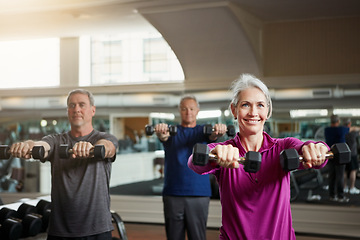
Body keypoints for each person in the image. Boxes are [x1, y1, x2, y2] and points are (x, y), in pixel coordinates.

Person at [188, 74, 329, 240]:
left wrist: (318, 149)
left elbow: (310, 151)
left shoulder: (283, 147)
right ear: (234, 110)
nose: (253, 112)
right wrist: (215, 155)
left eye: (260, 105)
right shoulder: (224, 151)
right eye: (245, 105)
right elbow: (194, 163)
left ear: (268, 111)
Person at [9, 89, 118, 240]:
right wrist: (27, 145)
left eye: (82, 105)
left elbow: (108, 147)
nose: (76, 109)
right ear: (68, 111)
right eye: (72, 105)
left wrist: (92, 148)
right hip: (60, 231)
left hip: (96, 229)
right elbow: (41, 146)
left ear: (92, 110)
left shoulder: (104, 138)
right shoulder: (56, 140)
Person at [153, 95, 227, 240]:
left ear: (197, 110)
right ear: (179, 111)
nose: (188, 112)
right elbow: (164, 137)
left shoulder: (202, 131)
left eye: (192, 108)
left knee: (197, 237)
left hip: (198, 193)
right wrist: (161, 132)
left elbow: (212, 136)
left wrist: (219, 130)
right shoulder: (171, 131)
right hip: (173, 193)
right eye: (184, 109)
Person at [324, 114, 350, 202]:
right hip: (340, 156)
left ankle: (332, 195)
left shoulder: (327, 130)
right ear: (338, 122)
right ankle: (341, 196)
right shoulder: (342, 129)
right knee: (340, 176)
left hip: (330, 155)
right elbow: (351, 128)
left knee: (331, 176)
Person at [344, 118, 360, 194]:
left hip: (344, 154)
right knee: (353, 171)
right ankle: (352, 187)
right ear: (349, 124)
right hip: (352, 154)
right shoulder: (353, 132)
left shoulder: (342, 132)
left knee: (345, 171)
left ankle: (344, 187)